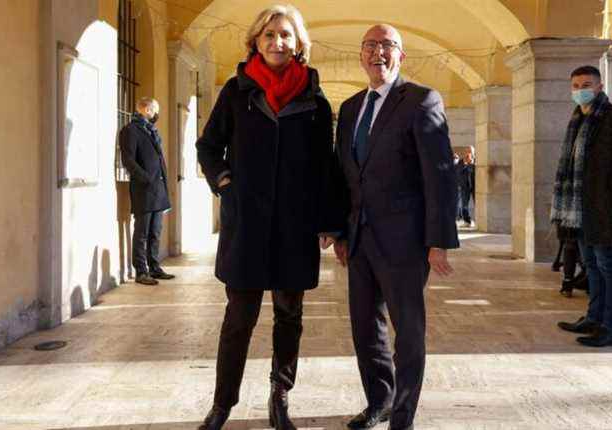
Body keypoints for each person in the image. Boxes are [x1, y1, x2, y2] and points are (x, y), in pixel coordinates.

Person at [195, 5, 340, 430]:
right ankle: (222, 405)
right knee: (238, 317)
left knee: (289, 315)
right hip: (248, 226)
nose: (278, 42)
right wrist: (225, 184)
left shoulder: (315, 102)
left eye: (286, 36)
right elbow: (208, 146)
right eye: (270, 35)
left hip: (295, 226)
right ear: (256, 41)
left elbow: (325, 166)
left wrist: (328, 220)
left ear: (299, 45)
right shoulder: (236, 93)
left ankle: (280, 398)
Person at [331, 24, 459, 430]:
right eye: (370, 46)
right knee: (364, 328)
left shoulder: (421, 100)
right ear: (361, 56)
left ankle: (403, 415)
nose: (378, 53)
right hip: (359, 239)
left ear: (401, 56)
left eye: (387, 45)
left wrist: (437, 241)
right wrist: (339, 230)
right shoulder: (350, 108)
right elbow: (343, 175)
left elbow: (439, 174)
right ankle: (379, 402)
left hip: (405, 242)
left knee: (407, 330)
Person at [554, 65, 612, 347]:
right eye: (575, 86)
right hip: (579, 209)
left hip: (604, 207)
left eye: (586, 84)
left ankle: (611, 328)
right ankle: (594, 318)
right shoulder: (577, 120)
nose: (580, 90)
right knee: (592, 268)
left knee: (611, 268)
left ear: (599, 86)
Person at [119, 97, 175, 286]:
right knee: (141, 232)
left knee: (155, 231)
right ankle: (141, 272)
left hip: (158, 190)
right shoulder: (130, 131)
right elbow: (128, 160)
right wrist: (146, 179)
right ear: (148, 109)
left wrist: (163, 186)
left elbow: (159, 161)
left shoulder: (151, 131)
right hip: (144, 189)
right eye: (155, 110)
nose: (157, 114)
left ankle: (154, 267)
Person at [458, 145, 476, 226]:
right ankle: (467, 221)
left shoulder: (476, 161)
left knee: (478, 204)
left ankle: (478, 220)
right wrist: (465, 164)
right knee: (464, 205)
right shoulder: (461, 162)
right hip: (465, 186)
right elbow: (457, 172)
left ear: (473, 152)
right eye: (467, 151)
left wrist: (472, 163)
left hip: (475, 186)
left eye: (470, 151)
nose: (468, 152)